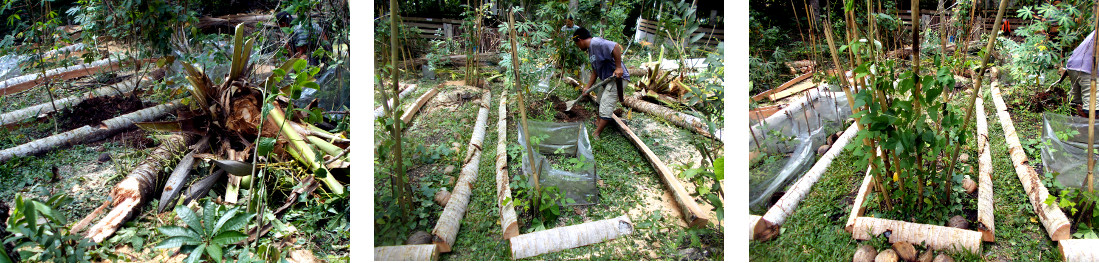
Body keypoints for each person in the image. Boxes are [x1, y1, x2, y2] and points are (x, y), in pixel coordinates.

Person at [572, 27, 628, 139]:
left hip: (617, 80)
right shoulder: (591, 50)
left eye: (577, 45)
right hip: (607, 80)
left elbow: (615, 46)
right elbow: (595, 72)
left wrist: (618, 67)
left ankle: (597, 134)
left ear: (579, 39)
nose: (578, 48)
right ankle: (598, 122)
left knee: (606, 105)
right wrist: (587, 88)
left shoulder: (596, 43)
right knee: (598, 102)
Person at [1066, 30, 1097, 116]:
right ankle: (1088, 126)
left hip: (1073, 64)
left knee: (1075, 99)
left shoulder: (1095, 31)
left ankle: (1074, 122)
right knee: (1093, 105)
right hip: (1089, 69)